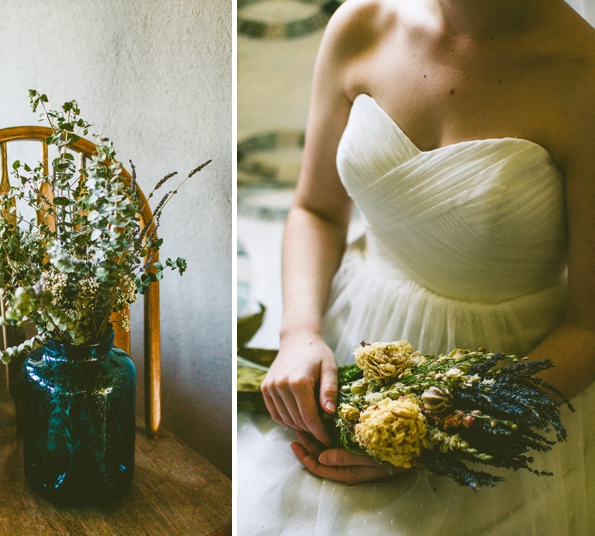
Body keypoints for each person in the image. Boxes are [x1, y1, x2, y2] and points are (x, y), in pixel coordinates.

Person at [237, 0, 595, 534]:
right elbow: (316, 210)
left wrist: (432, 433)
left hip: (507, 379)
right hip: (355, 331)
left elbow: (589, 326)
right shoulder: (360, 24)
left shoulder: (582, 74)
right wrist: (300, 332)